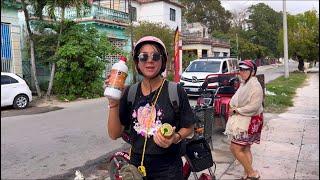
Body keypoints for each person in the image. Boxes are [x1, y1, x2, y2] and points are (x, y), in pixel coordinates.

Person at [106, 36, 195, 179]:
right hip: (136, 167)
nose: (150, 60)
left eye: (155, 56)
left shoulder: (175, 91)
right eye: (143, 56)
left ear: (163, 60)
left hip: (168, 169)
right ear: (137, 62)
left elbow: (189, 127)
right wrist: (113, 102)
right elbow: (114, 134)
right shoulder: (130, 92)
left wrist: (175, 137)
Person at [224, 60, 263, 180]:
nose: (242, 72)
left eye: (245, 70)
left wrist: (236, 110)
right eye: (241, 70)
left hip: (249, 122)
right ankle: (248, 173)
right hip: (244, 120)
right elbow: (236, 99)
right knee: (245, 148)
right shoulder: (244, 84)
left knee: (235, 148)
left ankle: (252, 173)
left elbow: (254, 107)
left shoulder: (255, 86)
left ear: (252, 72)